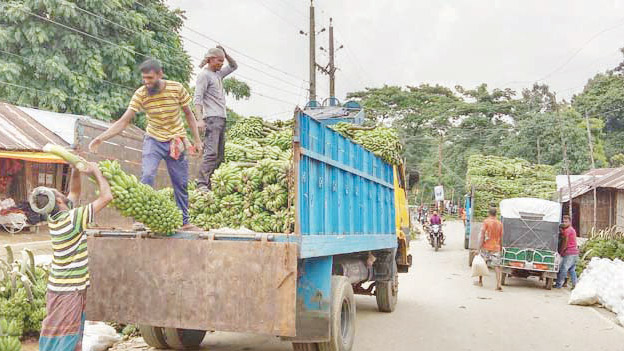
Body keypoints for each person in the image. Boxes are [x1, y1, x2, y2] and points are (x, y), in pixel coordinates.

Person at [89, 59, 202, 231]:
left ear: (160, 74)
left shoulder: (176, 88)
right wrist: (101, 138)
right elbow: (124, 120)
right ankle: (139, 220)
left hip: (176, 141)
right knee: (147, 175)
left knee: (180, 182)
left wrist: (197, 140)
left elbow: (189, 115)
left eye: (150, 78)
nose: (147, 82)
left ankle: (184, 221)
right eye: (144, 79)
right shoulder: (141, 94)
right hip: (153, 140)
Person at [34, 163, 113, 351]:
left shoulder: (56, 218)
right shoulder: (72, 219)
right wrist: (96, 172)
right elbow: (107, 197)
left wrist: (76, 169)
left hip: (60, 287)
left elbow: (74, 192)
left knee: (61, 333)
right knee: (66, 337)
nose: (63, 194)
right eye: (59, 194)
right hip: (69, 289)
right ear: (60, 202)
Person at [194, 45, 238, 190]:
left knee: (220, 155)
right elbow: (197, 99)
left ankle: (211, 184)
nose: (221, 64)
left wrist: (225, 53)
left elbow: (234, 66)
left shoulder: (218, 75)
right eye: (219, 61)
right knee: (211, 152)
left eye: (222, 61)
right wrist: (199, 120)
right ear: (211, 60)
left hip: (221, 118)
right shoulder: (204, 75)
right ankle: (201, 183)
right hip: (211, 119)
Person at [477, 207, 503, 291]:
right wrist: (501, 247)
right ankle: (498, 284)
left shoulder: (486, 222)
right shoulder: (500, 223)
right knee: (497, 266)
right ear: (496, 214)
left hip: (486, 246)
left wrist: (479, 247)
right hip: (496, 247)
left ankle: (480, 281)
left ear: (489, 213)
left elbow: (482, 235)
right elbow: (501, 237)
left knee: (482, 263)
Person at [555, 215, 579, 289]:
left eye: (566, 222)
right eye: (564, 221)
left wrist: (561, 252)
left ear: (570, 222)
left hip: (570, 252)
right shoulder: (572, 229)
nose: (564, 223)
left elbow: (565, 243)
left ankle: (558, 285)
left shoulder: (567, 231)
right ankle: (575, 284)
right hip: (575, 252)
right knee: (572, 270)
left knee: (563, 268)